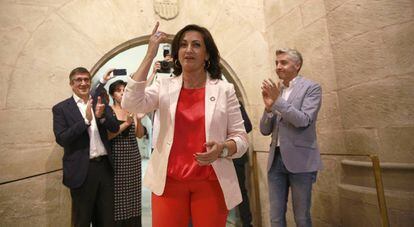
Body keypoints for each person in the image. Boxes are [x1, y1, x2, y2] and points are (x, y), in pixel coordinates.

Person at [121, 22, 249, 227]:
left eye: (196, 45)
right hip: (168, 181)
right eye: (183, 45)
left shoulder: (225, 89)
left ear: (207, 55)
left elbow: (241, 138)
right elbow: (130, 103)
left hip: (211, 182)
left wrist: (223, 149)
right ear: (177, 53)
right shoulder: (163, 86)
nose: (188, 49)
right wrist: (149, 55)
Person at [260, 48, 323, 227]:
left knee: (301, 218)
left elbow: (303, 120)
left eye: (283, 63)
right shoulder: (276, 90)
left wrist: (278, 101)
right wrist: (268, 108)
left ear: (297, 65)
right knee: (275, 218)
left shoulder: (312, 88)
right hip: (276, 160)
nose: (278, 67)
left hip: (301, 161)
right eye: (276, 63)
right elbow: (264, 130)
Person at [52, 67, 119, 227]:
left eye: (86, 79)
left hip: (104, 168)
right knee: (81, 220)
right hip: (81, 170)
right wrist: (85, 121)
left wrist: (101, 116)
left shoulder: (99, 100)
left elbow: (115, 127)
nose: (83, 83)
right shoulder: (61, 108)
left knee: (106, 219)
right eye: (79, 80)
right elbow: (62, 138)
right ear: (71, 83)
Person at [107, 80, 145, 227]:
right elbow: (108, 135)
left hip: (133, 158)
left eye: (124, 90)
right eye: (118, 90)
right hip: (116, 157)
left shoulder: (132, 110)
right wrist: (127, 123)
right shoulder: (109, 110)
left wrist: (139, 121)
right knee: (117, 196)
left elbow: (140, 135)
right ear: (112, 94)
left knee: (133, 196)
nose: (122, 92)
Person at [233, 101, 253, 227]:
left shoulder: (234, 101)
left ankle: (246, 223)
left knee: (240, 192)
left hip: (235, 157)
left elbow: (248, 126)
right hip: (215, 159)